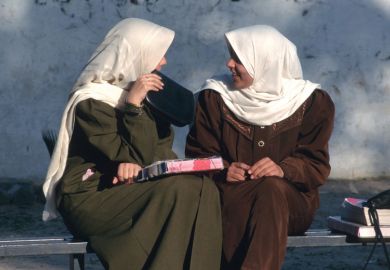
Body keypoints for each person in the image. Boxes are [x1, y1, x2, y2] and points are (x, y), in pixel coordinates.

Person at [42, 18, 222, 270]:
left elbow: (157, 154)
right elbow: (139, 154)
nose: (164, 62)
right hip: (91, 195)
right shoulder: (91, 101)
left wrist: (136, 162)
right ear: (136, 54)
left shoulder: (145, 94)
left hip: (131, 186)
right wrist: (133, 107)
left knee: (203, 187)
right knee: (180, 190)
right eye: (159, 55)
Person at [185, 25, 335, 270]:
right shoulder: (213, 98)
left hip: (290, 204)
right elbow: (198, 155)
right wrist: (223, 169)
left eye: (239, 59)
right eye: (231, 56)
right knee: (259, 196)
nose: (229, 64)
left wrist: (283, 169)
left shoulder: (311, 102)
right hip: (230, 196)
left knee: (270, 188)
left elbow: (316, 165)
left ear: (265, 62)